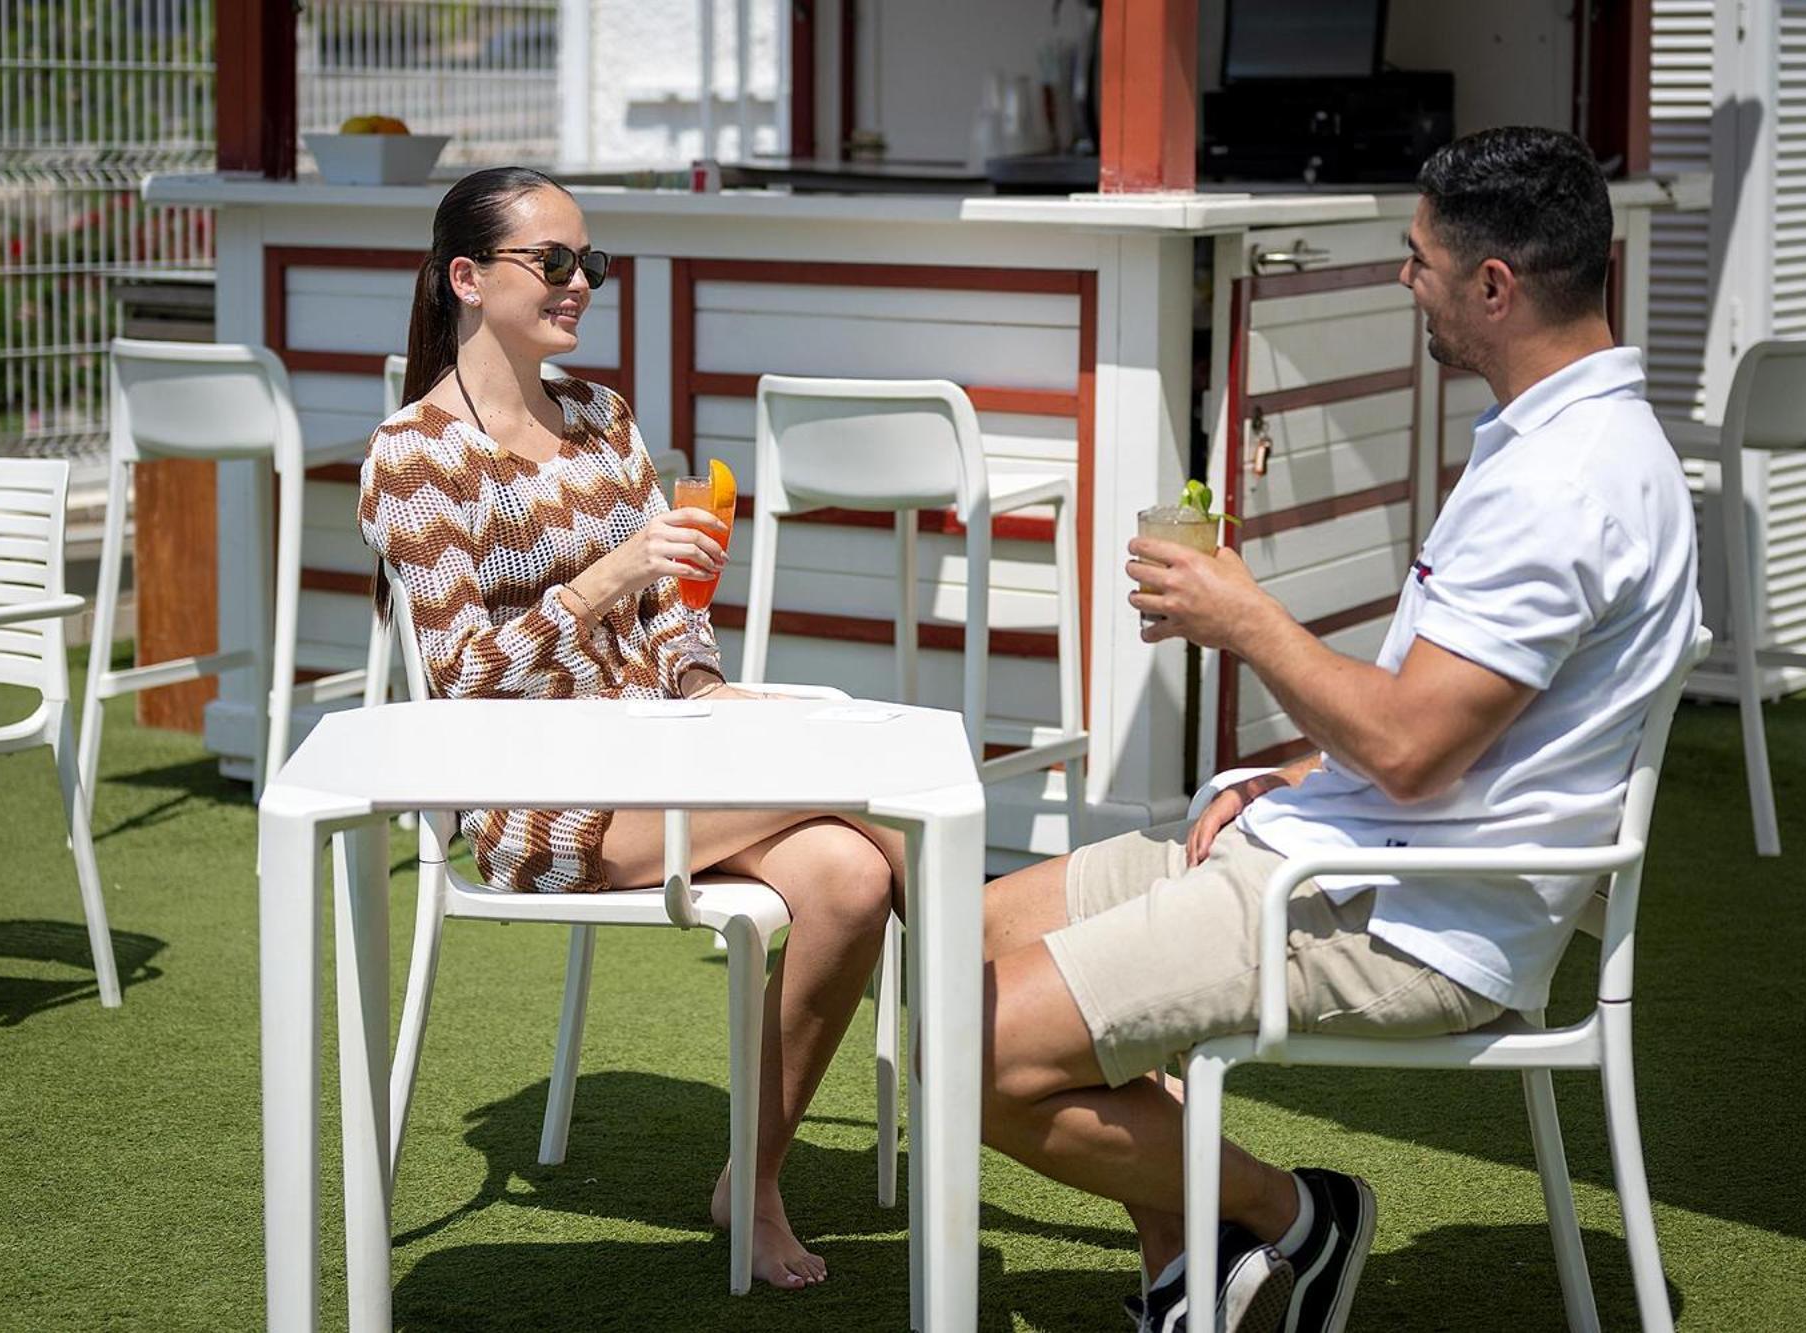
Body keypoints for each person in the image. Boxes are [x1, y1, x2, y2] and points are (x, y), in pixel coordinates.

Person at [979, 127, 1701, 1332]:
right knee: (968, 929)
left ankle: (1292, 1218)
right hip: (1353, 848)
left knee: (978, 1043)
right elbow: (1463, 725)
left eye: (1416, 260)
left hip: (1405, 911)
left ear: (1492, 285)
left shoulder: (1559, 485)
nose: (1400, 280)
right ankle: (1189, 1267)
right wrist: (1283, 772)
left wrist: (1241, 616)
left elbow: (1416, 747)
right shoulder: (1560, 443)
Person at [358, 166, 904, 1291]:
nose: (579, 284)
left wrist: (703, 689)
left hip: (659, 752)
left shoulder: (604, 419)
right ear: (467, 278)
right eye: (551, 262)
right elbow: (459, 684)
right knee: (866, 795)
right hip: (531, 790)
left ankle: (750, 1179)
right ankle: (1036, 1029)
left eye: (587, 264)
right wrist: (607, 577)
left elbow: (669, 621)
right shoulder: (412, 458)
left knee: (849, 877)